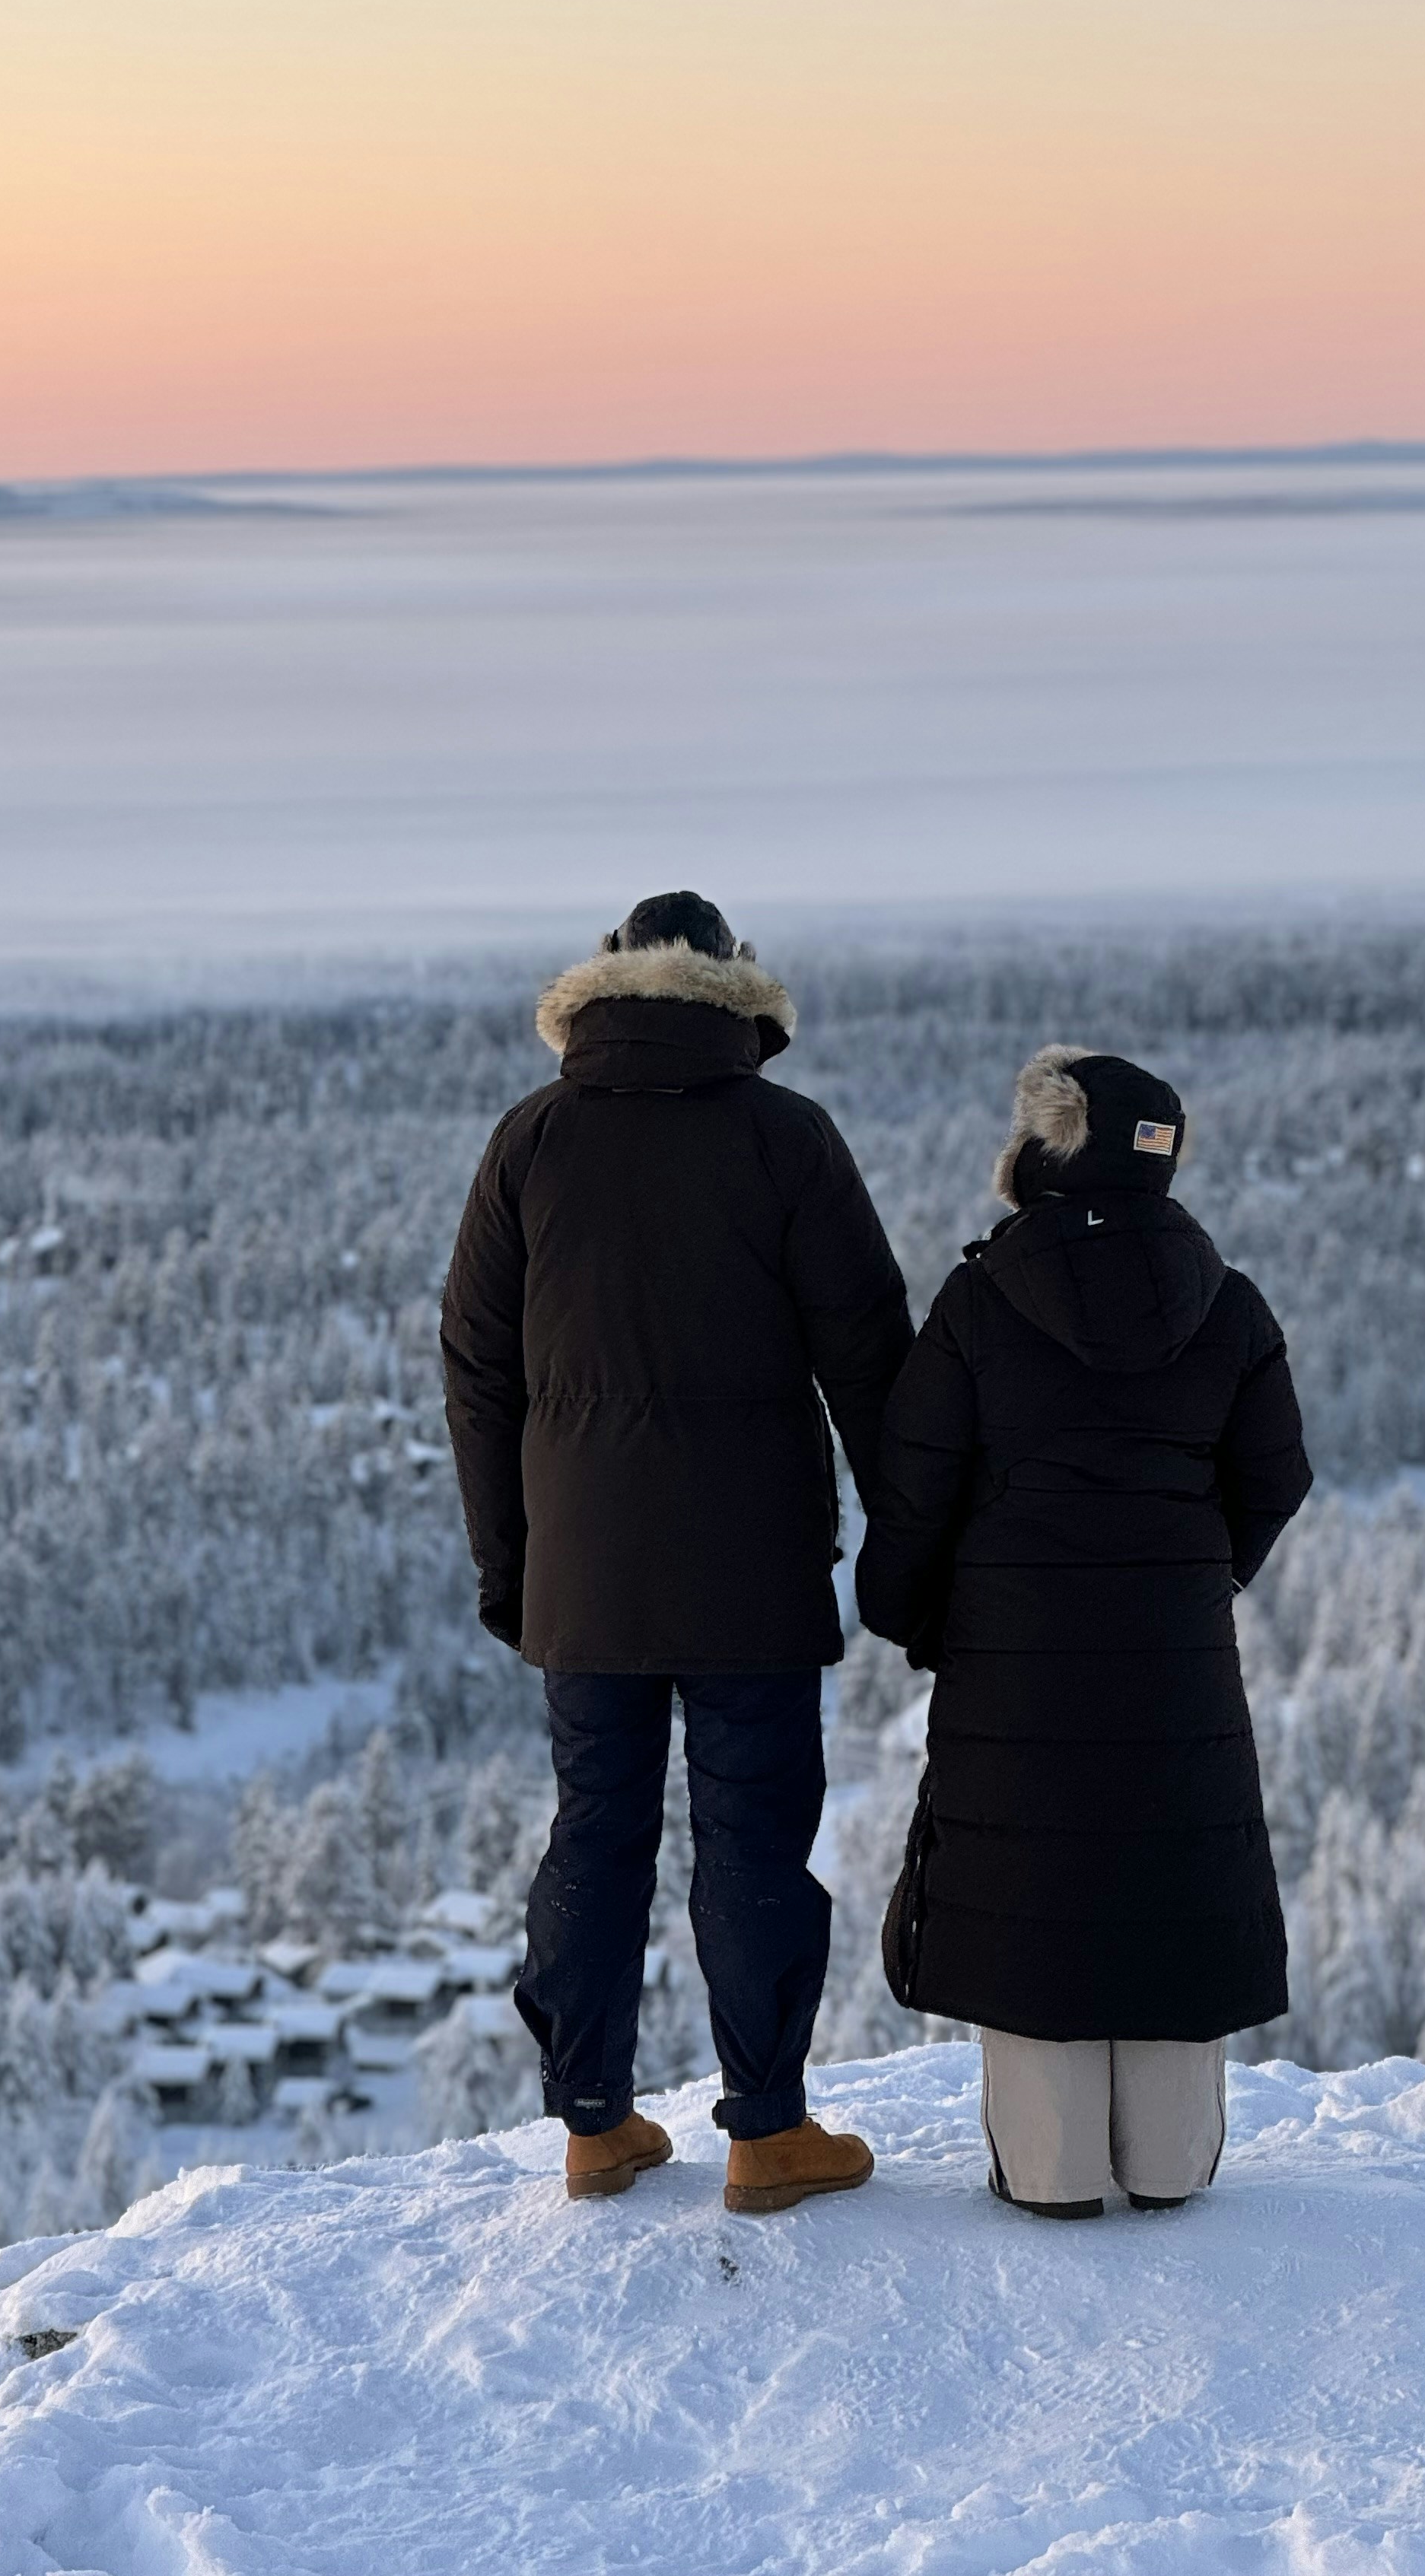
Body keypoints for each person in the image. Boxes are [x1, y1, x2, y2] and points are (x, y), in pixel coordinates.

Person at [442, 890, 913, 2212]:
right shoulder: (786, 1137)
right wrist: (912, 1548)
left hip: (582, 1574)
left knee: (596, 1828)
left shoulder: (530, 1140)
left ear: (602, 989)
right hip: (752, 1564)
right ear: (734, 989)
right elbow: (870, 1359)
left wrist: (511, 1558)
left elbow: (477, 1370)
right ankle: (767, 2134)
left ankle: (594, 2125)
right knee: (755, 1835)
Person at [857, 1045, 1312, 2219]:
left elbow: (913, 1489)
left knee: (1031, 1881)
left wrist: (916, 1617)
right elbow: (1276, 1475)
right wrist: (1197, 1577)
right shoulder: (1229, 1301)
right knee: (1170, 1871)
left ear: (1045, 1151)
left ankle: (1052, 2170)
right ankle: (1167, 2164)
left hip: (1013, 1645)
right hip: (1175, 1648)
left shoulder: (979, 1299)